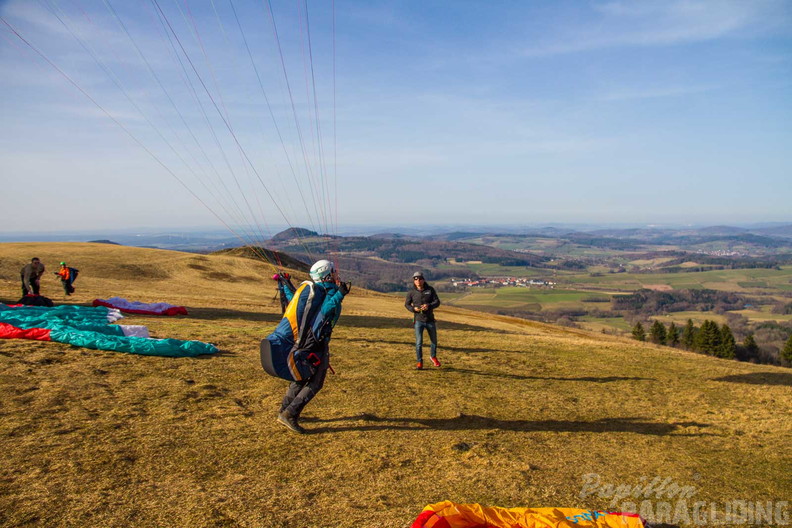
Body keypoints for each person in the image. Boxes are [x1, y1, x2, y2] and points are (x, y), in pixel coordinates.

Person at [276, 259, 349, 434]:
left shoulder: (313, 290)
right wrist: (340, 294)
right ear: (327, 274)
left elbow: (294, 298)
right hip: (316, 343)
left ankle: (284, 410)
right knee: (316, 382)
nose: (336, 274)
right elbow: (325, 310)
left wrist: (285, 283)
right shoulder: (326, 292)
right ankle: (290, 414)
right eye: (333, 271)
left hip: (305, 342)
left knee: (301, 378)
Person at [405, 271, 441, 370]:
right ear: (414, 281)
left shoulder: (430, 290)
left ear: (423, 280)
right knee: (419, 342)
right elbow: (407, 304)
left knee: (434, 341)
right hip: (418, 321)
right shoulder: (411, 292)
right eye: (416, 279)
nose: (418, 281)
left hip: (430, 320)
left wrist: (429, 305)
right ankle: (419, 362)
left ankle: (433, 356)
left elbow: (437, 302)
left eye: (420, 279)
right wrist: (413, 309)